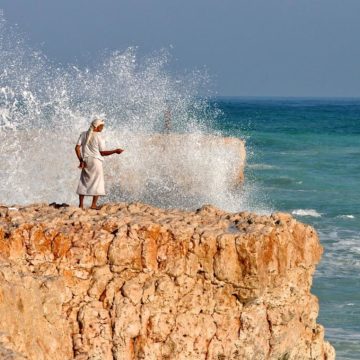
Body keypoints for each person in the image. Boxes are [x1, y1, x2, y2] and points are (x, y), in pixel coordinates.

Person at [75, 118, 124, 209]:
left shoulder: (83, 134)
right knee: (97, 182)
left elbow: (77, 148)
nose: (102, 128)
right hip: (96, 161)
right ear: (97, 127)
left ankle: (81, 205)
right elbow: (102, 153)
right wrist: (115, 151)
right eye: (102, 126)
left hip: (86, 160)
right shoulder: (99, 137)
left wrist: (81, 160)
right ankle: (93, 205)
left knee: (84, 181)